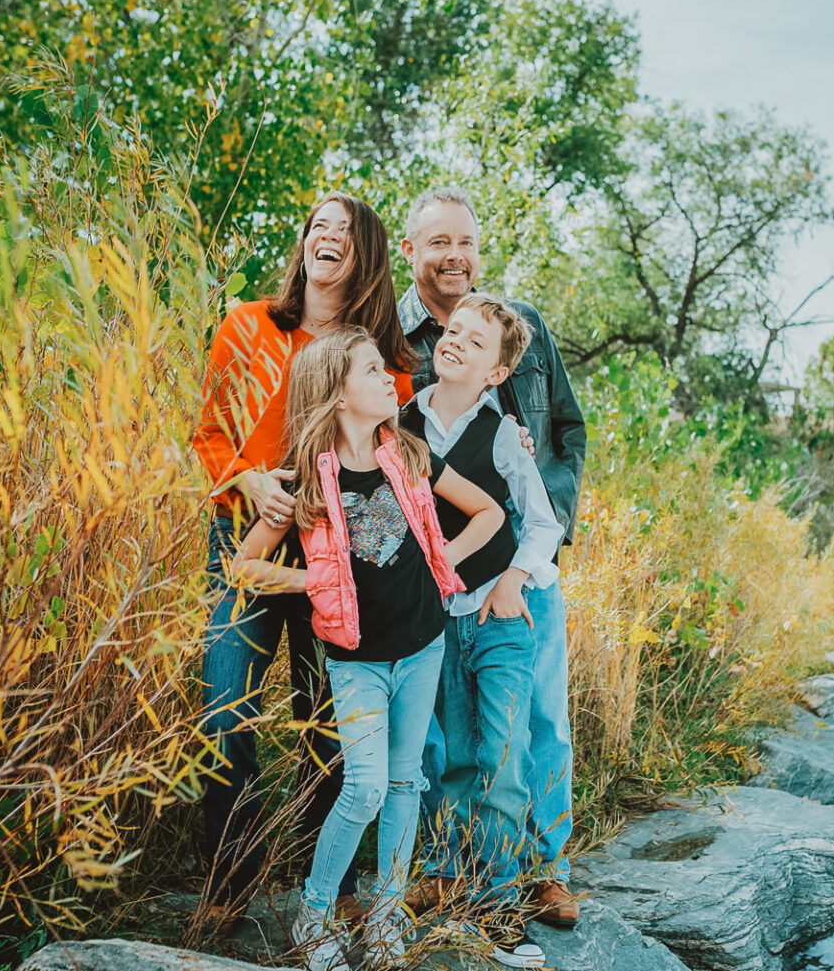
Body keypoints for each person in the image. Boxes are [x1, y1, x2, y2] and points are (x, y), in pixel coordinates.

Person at [231, 327, 503, 971]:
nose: (390, 380)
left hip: (422, 647)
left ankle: (385, 916)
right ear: (337, 392)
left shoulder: (408, 455)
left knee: (407, 780)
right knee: (366, 788)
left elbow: (489, 513)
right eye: (373, 371)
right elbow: (244, 567)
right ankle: (317, 910)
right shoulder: (301, 480)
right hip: (356, 661)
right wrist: (312, 579)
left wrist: (445, 559)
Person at [191, 192, 416, 926]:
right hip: (248, 533)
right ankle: (230, 880)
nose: (328, 236)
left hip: (337, 548)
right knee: (225, 706)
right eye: (318, 225)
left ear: (368, 255)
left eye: (346, 231)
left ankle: (333, 883)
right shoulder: (246, 326)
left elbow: (394, 462)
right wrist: (247, 478)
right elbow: (208, 437)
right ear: (304, 243)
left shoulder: (386, 364)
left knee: (331, 721)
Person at [395, 187, 587, 927]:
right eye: (437, 242)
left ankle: (543, 868)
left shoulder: (522, 328)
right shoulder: (400, 344)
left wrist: (539, 527)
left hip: (523, 569)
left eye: (465, 242)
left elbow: (567, 430)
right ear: (410, 251)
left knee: (539, 721)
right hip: (442, 581)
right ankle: (453, 865)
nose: (455, 256)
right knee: (450, 730)